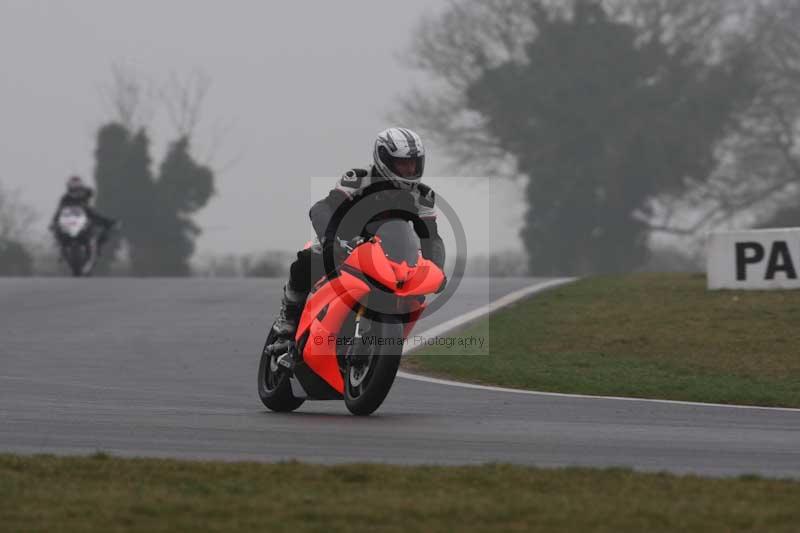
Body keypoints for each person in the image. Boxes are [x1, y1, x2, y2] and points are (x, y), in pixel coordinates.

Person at [271, 127, 446, 357]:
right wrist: (330, 239)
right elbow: (322, 208)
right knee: (308, 258)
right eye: (403, 164)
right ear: (383, 159)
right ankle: (288, 319)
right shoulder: (358, 179)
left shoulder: (423, 196)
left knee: (416, 292)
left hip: (391, 256)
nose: (410, 169)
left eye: (414, 164)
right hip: (345, 243)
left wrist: (436, 269)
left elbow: (431, 237)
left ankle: (381, 342)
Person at [49, 176, 117, 247]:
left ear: (81, 188)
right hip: (69, 224)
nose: (75, 192)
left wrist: (107, 223)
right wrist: (54, 222)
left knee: (95, 219)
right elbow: (59, 211)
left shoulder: (84, 197)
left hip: (83, 222)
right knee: (58, 231)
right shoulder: (65, 198)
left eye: (77, 189)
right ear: (69, 188)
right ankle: (62, 248)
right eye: (73, 189)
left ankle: (100, 239)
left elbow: (91, 195)